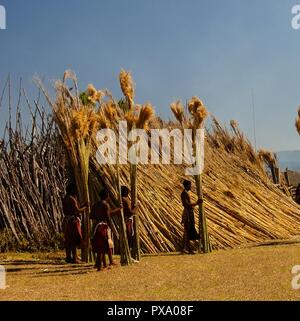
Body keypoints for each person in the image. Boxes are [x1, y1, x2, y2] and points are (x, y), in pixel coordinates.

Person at [90, 189, 122, 271]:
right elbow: (108, 216)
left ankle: (102, 264)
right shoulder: (106, 204)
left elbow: (91, 215)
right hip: (102, 227)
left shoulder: (95, 205)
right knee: (102, 247)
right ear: (107, 196)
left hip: (96, 227)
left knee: (101, 245)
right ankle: (99, 267)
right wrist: (111, 226)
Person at [62, 183, 87, 263]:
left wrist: (82, 205)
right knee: (73, 240)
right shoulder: (72, 199)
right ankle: (74, 259)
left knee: (68, 240)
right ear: (72, 190)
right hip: (73, 221)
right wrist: (86, 207)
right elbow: (78, 210)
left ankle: (69, 257)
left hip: (67, 220)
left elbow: (75, 207)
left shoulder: (66, 198)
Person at [180, 180, 202, 254]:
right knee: (188, 230)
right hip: (187, 213)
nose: (191, 187)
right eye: (189, 185)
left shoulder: (187, 193)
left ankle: (185, 248)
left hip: (190, 212)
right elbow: (186, 204)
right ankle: (187, 249)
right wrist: (196, 203)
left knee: (188, 230)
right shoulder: (184, 194)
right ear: (186, 186)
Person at [121, 186, 139, 252]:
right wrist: (136, 207)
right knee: (129, 234)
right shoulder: (125, 200)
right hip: (127, 219)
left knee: (130, 234)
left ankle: (128, 250)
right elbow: (130, 212)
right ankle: (127, 250)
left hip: (127, 219)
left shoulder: (124, 199)